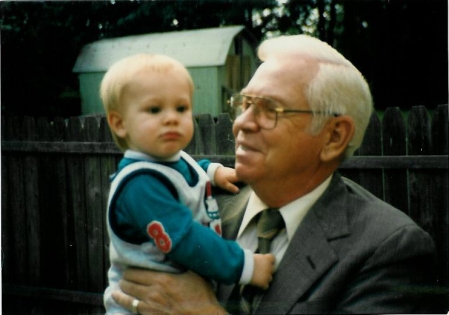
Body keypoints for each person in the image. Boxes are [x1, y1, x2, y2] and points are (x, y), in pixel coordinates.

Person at [111, 36, 441, 314]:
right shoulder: (205, 202)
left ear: (333, 137)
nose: (241, 123)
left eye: (270, 110)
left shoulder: (389, 248)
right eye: (243, 104)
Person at [100, 54, 276, 315]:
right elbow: (185, 239)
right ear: (120, 123)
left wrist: (213, 172)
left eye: (181, 108)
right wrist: (245, 267)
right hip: (144, 306)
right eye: (154, 109)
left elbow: (187, 171)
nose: (171, 118)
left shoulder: (167, 161)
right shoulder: (140, 186)